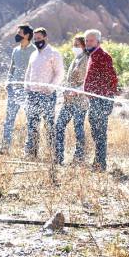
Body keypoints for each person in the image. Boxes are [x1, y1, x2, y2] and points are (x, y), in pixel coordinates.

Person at [24, 27, 64, 158]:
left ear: (46, 38)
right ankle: (31, 153)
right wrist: (27, 87)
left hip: (47, 95)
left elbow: (60, 73)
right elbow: (28, 72)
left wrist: (50, 88)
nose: (37, 41)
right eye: (35, 39)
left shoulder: (54, 53)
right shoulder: (33, 54)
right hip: (32, 95)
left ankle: (54, 155)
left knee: (49, 124)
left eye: (39, 38)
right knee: (32, 124)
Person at [0, 24, 36, 154]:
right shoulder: (15, 50)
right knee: (9, 120)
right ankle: (4, 148)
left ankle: (30, 150)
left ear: (27, 35)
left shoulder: (34, 51)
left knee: (30, 120)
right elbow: (11, 68)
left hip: (27, 91)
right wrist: (8, 82)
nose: (17, 35)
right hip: (14, 91)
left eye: (19, 33)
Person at [83, 29, 118, 171]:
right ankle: (98, 161)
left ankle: (100, 164)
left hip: (102, 100)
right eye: (86, 41)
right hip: (94, 99)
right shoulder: (92, 55)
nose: (87, 43)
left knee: (100, 132)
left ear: (98, 41)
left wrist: (105, 93)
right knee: (96, 132)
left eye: (90, 40)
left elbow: (112, 77)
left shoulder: (103, 56)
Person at [55, 36, 89, 165]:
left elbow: (87, 82)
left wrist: (75, 91)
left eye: (77, 45)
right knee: (59, 125)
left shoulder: (86, 59)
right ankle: (58, 157)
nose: (74, 47)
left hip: (80, 101)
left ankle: (79, 158)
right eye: (73, 44)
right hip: (68, 101)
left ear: (84, 46)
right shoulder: (75, 59)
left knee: (78, 128)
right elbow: (69, 80)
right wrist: (65, 90)